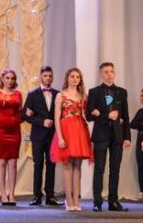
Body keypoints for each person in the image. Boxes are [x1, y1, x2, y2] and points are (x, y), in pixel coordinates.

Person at [86, 62, 131, 212]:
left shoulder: (122, 92)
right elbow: (89, 116)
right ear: (101, 74)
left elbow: (125, 116)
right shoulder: (94, 92)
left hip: (118, 136)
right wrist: (106, 115)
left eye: (111, 71)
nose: (109, 74)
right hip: (101, 135)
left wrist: (127, 137)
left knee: (115, 169)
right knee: (99, 169)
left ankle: (113, 202)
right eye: (106, 72)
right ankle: (97, 202)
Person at [50, 68, 94, 212]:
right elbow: (56, 117)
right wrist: (60, 137)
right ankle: (68, 199)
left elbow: (87, 115)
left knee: (77, 166)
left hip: (80, 130)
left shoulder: (83, 96)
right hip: (66, 130)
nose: (75, 79)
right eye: (72, 76)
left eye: (77, 77)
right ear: (67, 78)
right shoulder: (60, 95)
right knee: (67, 165)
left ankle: (76, 199)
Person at [23, 66, 63, 207]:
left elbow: (61, 115)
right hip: (38, 136)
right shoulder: (32, 94)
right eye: (45, 75)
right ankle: (37, 196)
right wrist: (41, 121)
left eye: (50, 76)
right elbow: (25, 115)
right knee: (38, 165)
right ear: (41, 76)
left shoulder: (58, 94)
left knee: (51, 165)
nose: (48, 78)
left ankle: (50, 196)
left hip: (53, 135)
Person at [0, 68, 23, 206]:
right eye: (7, 78)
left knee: (13, 163)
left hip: (14, 130)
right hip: (0, 130)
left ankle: (12, 193)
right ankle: (3, 193)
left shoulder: (18, 94)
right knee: (2, 162)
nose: (10, 81)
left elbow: (20, 112)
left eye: (12, 78)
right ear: (2, 79)